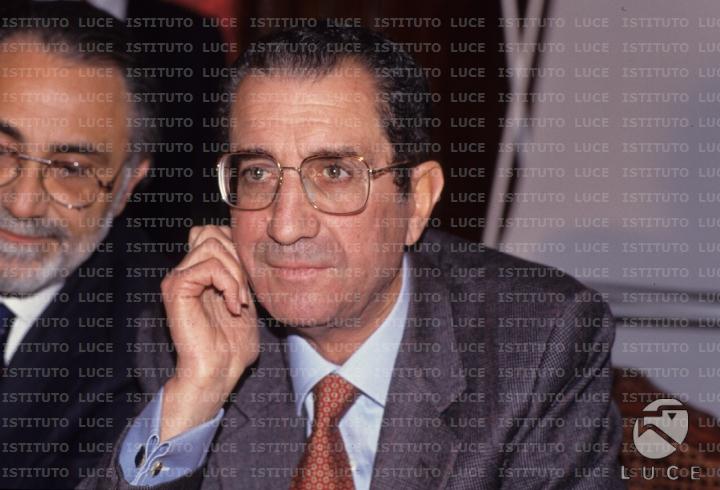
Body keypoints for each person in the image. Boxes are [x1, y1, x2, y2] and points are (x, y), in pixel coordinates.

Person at [83, 26, 624, 489]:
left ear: (418, 201)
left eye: (335, 173)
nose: (285, 226)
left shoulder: (535, 342)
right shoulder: (190, 335)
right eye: (258, 174)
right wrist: (197, 394)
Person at [0, 2, 169, 488]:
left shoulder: (157, 349)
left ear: (127, 185)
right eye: (2, 151)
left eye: (72, 169)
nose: (23, 203)